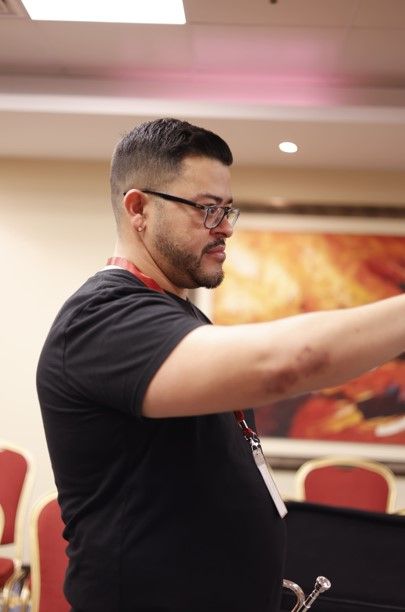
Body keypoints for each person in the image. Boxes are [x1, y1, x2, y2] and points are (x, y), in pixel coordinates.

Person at [36, 118, 405, 612]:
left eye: (228, 209)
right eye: (207, 209)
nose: (226, 226)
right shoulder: (101, 319)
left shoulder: (180, 316)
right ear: (138, 208)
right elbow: (290, 363)